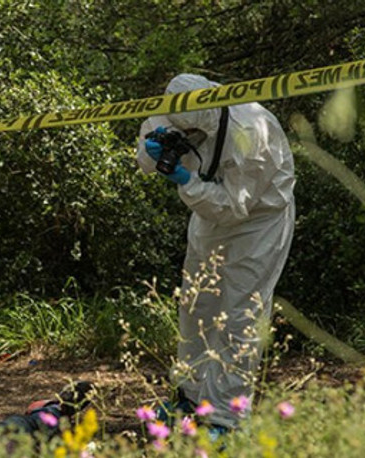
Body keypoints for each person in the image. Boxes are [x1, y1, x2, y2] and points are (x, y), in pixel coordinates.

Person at [137, 74, 295, 437]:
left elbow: (233, 206)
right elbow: (144, 156)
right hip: (207, 215)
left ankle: (226, 419)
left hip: (258, 222)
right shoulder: (176, 107)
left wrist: (183, 179)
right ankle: (190, 398)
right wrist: (153, 150)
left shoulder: (251, 131)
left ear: (204, 121)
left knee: (239, 314)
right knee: (196, 305)